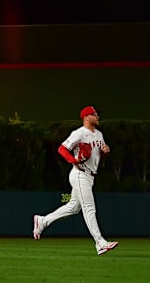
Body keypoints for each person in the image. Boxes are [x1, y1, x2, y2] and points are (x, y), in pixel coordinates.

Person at [32, 106, 119, 255]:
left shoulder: (99, 134)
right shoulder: (79, 133)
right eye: (94, 114)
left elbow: (97, 157)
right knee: (89, 208)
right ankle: (100, 243)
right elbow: (62, 149)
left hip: (91, 175)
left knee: (73, 207)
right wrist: (73, 160)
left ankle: (43, 221)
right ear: (86, 117)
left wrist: (105, 152)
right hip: (80, 174)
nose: (97, 116)